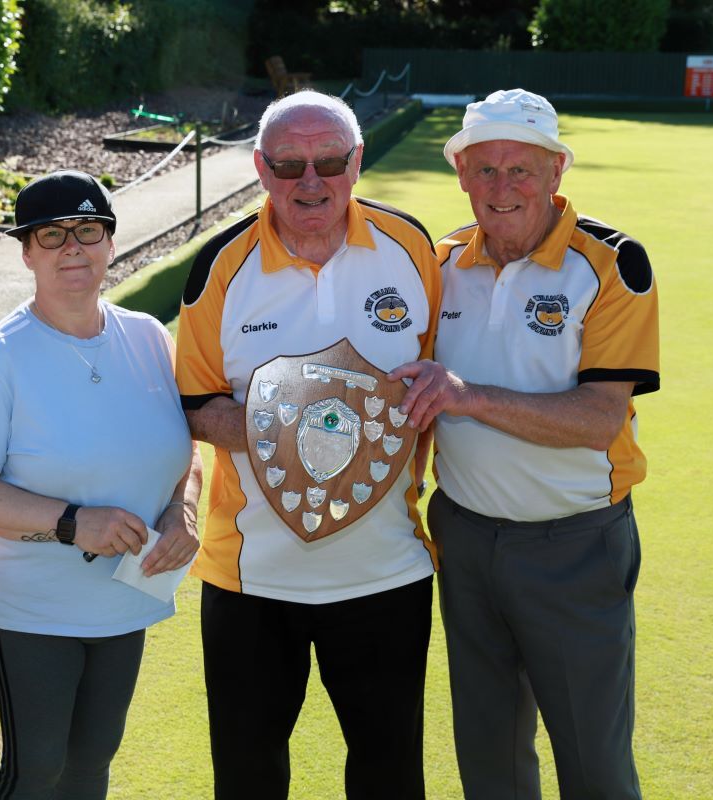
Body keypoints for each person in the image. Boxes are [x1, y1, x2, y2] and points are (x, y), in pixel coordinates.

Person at [392, 89, 660, 799]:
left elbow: (601, 418)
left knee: (594, 766)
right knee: (489, 759)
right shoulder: (440, 261)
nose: (501, 187)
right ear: (460, 176)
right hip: (467, 541)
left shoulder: (610, 263)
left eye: (521, 170)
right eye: (485, 170)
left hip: (573, 547)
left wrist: (468, 396)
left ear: (557, 173)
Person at [174, 90, 440, 799]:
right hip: (250, 579)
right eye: (290, 164)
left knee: (390, 776)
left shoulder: (411, 248)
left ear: (358, 161)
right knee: (248, 778)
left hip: (387, 572)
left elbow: (442, 380)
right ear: (261, 168)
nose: (311, 182)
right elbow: (196, 405)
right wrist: (305, 432)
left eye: (329, 161)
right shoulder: (220, 267)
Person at [0, 169, 203, 800]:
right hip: (34, 606)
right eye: (51, 235)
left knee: (91, 768)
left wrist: (182, 510)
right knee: (38, 771)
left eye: (88, 231)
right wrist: (71, 521)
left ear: (110, 242)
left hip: (125, 596)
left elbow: (182, 449)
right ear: (26, 252)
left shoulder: (146, 335)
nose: (71, 248)